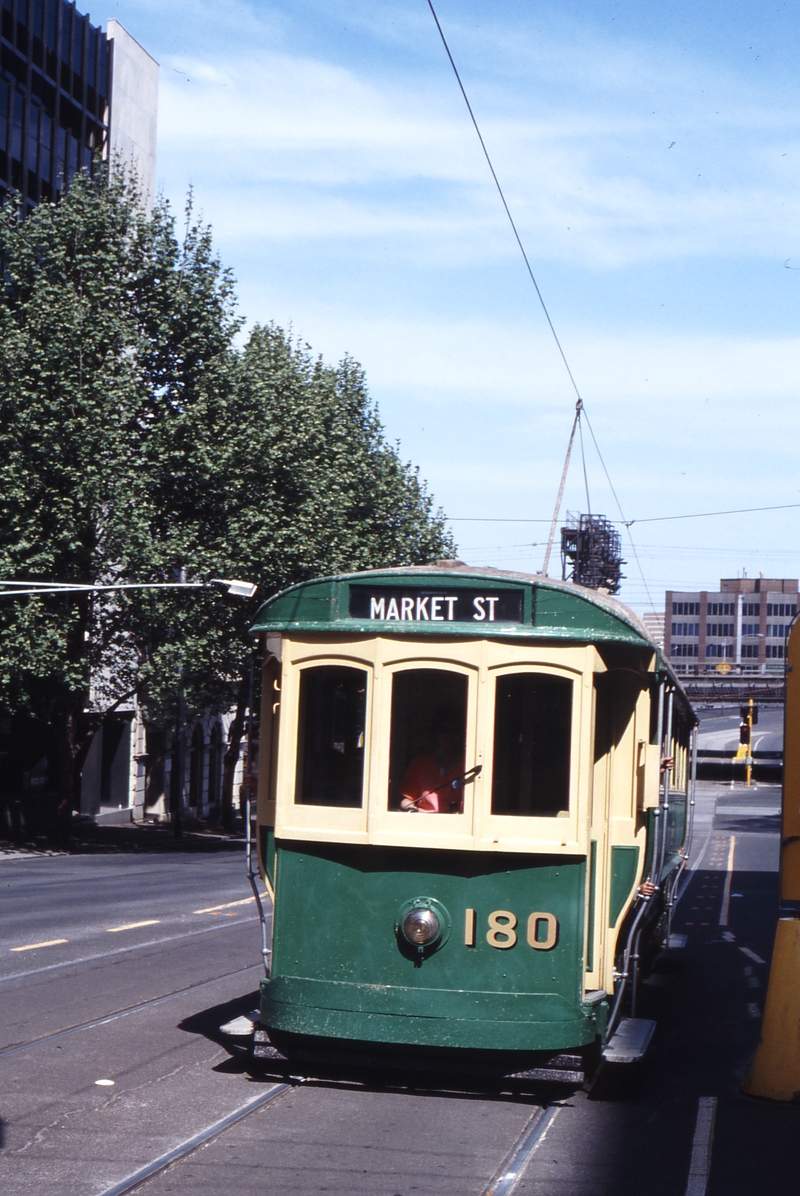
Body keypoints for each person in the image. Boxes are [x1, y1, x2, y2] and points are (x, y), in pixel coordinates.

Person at [399, 709, 465, 813]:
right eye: (444, 730)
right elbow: (406, 799)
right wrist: (411, 809)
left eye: (455, 732)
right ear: (436, 734)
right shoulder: (421, 764)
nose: (449, 736)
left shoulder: (466, 764)